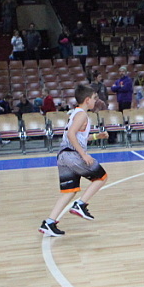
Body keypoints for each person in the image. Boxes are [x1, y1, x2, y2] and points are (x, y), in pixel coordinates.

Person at [39, 85, 107, 235]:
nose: (95, 101)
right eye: (94, 98)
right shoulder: (82, 114)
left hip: (63, 156)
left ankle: (49, 223)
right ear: (87, 100)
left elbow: (77, 137)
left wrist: (96, 136)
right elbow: (71, 135)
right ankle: (80, 205)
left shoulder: (75, 113)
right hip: (72, 155)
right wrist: (83, 155)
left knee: (69, 191)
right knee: (101, 177)